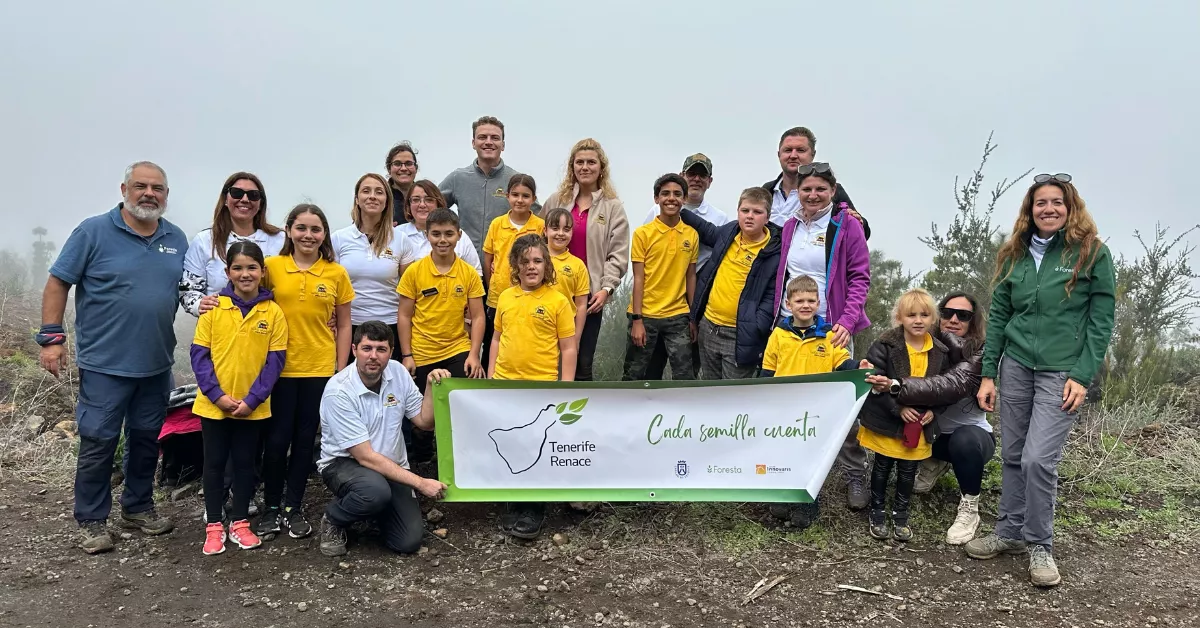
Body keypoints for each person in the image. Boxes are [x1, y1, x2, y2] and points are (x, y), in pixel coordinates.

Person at [965, 173, 1115, 588]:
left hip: (1061, 370)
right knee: (1013, 454)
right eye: (1040, 203)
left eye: (1056, 202)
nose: (1048, 209)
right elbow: (999, 316)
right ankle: (1010, 532)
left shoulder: (1092, 252)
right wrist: (989, 373)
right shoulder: (1013, 253)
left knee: (1037, 459)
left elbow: (1101, 321)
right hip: (1015, 365)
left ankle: (1039, 543)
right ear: (1030, 211)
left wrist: (1082, 375)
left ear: (1070, 208)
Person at [38, 161, 186, 554]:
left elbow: (190, 290)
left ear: (166, 195)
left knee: (146, 439)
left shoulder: (176, 238)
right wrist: (51, 338)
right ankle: (91, 519)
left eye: (157, 188)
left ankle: (137, 507)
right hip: (105, 364)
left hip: (156, 363)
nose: (149, 194)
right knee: (99, 440)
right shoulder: (93, 231)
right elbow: (58, 282)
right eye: (140, 186)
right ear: (124, 190)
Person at [770, 162, 872, 508]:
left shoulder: (847, 224)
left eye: (820, 189)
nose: (813, 195)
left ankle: (855, 473)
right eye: (807, 189)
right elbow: (784, 275)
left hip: (832, 327)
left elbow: (860, 277)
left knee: (842, 405)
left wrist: (847, 320)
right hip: (791, 326)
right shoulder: (790, 225)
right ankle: (792, 472)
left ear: (833, 190)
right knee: (790, 404)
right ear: (798, 191)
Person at [256, 204, 355, 540]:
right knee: (276, 440)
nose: (308, 235)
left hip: (319, 368)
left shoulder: (336, 273)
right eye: (301, 228)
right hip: (278, 369)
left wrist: (341, 368)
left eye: (315, 229)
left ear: (324, 234)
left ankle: (292, 507)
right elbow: (250, 300)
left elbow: (345, 324)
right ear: (288, 230)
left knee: (304, 441)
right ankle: (271, 507)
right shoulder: (272, 267)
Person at [316, 321, 450, 557]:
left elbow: (424, 422)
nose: (373, 356)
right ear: (354, 349)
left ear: (391, 351)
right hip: (345, 463)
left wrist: (431, 387)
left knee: (408, 542)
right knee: (374, 492)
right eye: (367, 348)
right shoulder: (339, 391)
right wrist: (420, 483)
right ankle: (334, 519)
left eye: (381, 349)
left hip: (389, 465)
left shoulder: (398, 372)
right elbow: (365, 457)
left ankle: (371, 509)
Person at [871, 292, 993, 546]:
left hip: (969, 436)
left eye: (963, 315)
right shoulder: (920, 341)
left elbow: (947, 386)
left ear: (973, 320)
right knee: (891, 459)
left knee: (964, 440)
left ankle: (970, 506)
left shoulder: (981, 350)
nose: (954, 319)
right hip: (929, 436)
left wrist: (894, 385)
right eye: (947, 313)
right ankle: (933, 463)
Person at [190, 241, 287, 555]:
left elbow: (275, 361)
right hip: (213, 406)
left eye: (252, 267)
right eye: (238, 268)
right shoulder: (213, 309)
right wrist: (217, 396)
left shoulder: (273, 312)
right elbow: (199, 356)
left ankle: (240, 522)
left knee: (246, 465)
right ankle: (214, 525)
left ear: (262, 271)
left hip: (251, 408)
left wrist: (253, 399)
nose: (245, 274)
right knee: (214, 465)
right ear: (228, 271)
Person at [488, 234, 577, 539]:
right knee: (511, 445)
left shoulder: (558, 301)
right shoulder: (505, 297)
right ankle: (514, 503)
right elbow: (496, 339)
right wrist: (491, 377)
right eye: (524, 261)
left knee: (533, 448)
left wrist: (566, 387)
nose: (531, 266)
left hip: (540, 388)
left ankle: (534, 508)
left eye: (538, 260)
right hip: (505, 386)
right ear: (515, 265)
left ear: (546, 265)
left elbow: (568, 348)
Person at [858, 289, 954, 542]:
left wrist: (934, 411)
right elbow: (872, 384)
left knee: (908, 470)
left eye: (924, 315)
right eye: (911, 315)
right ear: (900, 317)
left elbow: (945, 390)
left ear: (933, 318)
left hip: (918, 427)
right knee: (882, 466)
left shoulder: (940, 352)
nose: (918, 320)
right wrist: (897, 408)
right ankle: (877, 512)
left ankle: (900, 514)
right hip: (888, 421)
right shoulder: (885, 345)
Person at [761, 275, 857, 528]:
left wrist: (860, 366)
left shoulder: (829, 334)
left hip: (816, 412)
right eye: (799, 300)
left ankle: (807, 503)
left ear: (819, 303)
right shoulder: (778, 335)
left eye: (811, 301)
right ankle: (782, 496)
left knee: (811, 458)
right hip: (783, 409)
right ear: (788, 304)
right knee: (783, 454)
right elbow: (767, 371)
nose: (805, 305)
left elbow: (843, 362)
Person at [540, 138, 630, 381]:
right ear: (572, 167)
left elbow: (618, 253)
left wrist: (606, 288)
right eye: (579, 162)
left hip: (589, 296)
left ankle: (580, 405)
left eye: (591, 162)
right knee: (547, 358)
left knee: (582, 361)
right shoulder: (556, 201)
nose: (585, 167)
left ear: (601, 168)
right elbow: (536, 237)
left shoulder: (613, 208)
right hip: (551, 291)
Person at [642, 153, 730, 380]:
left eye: (702, 175)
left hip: (694, 301)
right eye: (692, 174)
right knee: (650, 368)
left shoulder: (720, 218)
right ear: (682, 175)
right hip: (657, 301)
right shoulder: (656, 211)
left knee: (687, 370)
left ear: (710, 181)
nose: (696, 179)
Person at [682, 187, 781, 380]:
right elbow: (707, 230)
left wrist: (756, 328)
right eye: (745, 210)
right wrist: (680, 209)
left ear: (767, 218)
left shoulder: (774, 252)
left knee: (734, 394)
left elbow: (771, 297)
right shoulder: (730, 231)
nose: (750, 216)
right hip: (708, 327)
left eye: (757, 212)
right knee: (710, 390)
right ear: (738, 212)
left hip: (740, 336)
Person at [397, 208, 487, 386]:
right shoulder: (414, 272)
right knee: (425, 403)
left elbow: (478, 316)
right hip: (422, 353)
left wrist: (474, 354)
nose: (443, 240)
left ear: (459, 235)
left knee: (464, 398)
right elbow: (404, 316)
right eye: (436, 234)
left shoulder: (469, 273)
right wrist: (407, 355)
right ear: (427, 235)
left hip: (458, 349)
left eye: (449, 234)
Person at [623, 174, 699, 381]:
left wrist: (693, 318)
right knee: (634, 375)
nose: (671, 198)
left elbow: (691, 277)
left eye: (677, 194)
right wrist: (637, 320)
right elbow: (638, 278)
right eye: (665, 193)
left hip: (678, 315)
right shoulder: (643, 234)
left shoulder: (691, 235)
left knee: (685, 376)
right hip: (646, 314)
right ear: (656, 198)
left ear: (684, 199)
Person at [331, 173, 412, 361]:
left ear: (387, 201)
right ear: (357, 199)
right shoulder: (339, 238)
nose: (372, 196)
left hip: (390, 326)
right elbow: (331, 284)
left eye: (379, 192)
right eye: (366, 191)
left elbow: (409, 290)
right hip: (350, 327)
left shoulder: (401, 240)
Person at [180, 172, 285, 317]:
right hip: (219, 325)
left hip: (270, 325)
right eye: (237, 193)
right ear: (225, 199)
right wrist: (200, 305)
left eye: (253, 195)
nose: (245, 199)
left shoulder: (280, 240)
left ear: (261, 203)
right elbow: (188, 291)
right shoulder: (205, 240)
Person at [440, 116, 525, 263]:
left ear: (503, 145)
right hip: (465, 265)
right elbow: (429, 207)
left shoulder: (516, 180)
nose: (488, 142)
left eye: (495, 138)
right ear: (473, 143)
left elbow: (538, 220)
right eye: (482, 137)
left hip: (503, 266)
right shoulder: (458, 178)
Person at [482, 174, 545, 364]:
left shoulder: (540, 226)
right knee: (493, 344)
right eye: (515, 195)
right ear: (507, 196)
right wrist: (492, 284)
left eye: (525, 196)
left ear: (533, 199)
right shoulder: (497, 224)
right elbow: (488, 258)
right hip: (498, 297)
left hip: (530, 297)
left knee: (523, 344)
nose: (520, 200)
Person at [761, 127, 868, 234]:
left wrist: (858, 222)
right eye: (788, 150)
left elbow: (862, 232)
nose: (793, 155)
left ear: (813, 154)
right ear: (779, 154)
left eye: (800, 150)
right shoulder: (767, 191)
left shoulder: (830, 191)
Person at [396, 180, 483, 276]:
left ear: (438, 203)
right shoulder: (397, 234)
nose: (422, 205)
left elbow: (476, 273)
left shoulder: (457, 234)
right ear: (408, 205)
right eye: (416, 200)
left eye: (429, 200)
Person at [543, 208, 591, 350]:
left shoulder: (578, 265)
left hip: (564, 333)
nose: (560, 233)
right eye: (555, 228)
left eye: (566, 229)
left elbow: (581, 305)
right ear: (545, 231)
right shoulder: (533, 257)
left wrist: (576, 338)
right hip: (534, 328)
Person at [385, 142, 419, 225]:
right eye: (397, 164)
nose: (403, 168)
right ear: (389, 169)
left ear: (416, 168)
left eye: (409, 164)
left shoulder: (428, 196)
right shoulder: (381, 198)